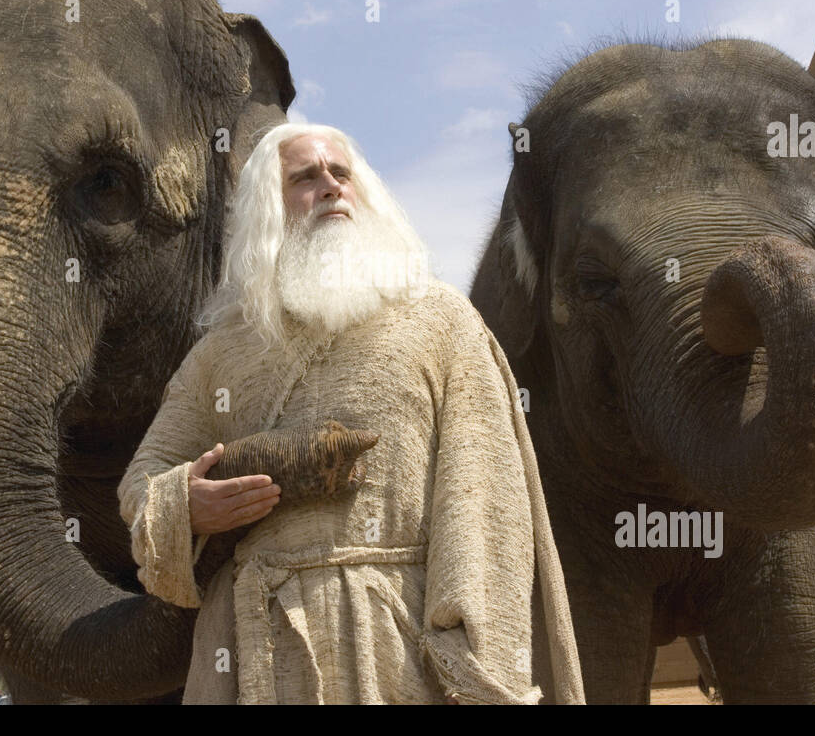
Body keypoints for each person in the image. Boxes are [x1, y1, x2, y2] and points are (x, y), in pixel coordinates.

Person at [117, 123, 583, 704]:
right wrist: (186, 503)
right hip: (252, 646)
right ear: (268, 205)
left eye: (342, 173)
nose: (331, 188)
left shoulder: (439, 320)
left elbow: (485, 501)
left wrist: (474, 663)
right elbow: (143, 481)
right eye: (305, 178)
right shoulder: (223, 350)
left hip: (400, 642)